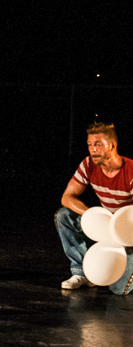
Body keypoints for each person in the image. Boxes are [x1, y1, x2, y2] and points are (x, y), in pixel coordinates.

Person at [56, 122, 133, 292]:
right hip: (106, 225)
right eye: (90, 144)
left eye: (98, 144)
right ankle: (81, 272)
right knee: (64, 215)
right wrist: (91, 215)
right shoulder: (88, 164)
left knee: (119, 289)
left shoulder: (130, 170)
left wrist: (123, 230)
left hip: (128, 233)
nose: (93, 149)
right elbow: (67, 197)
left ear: (112, 145)